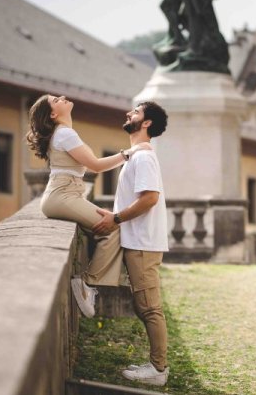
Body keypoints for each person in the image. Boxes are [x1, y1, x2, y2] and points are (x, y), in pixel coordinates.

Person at [26, 94, 149, 318]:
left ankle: (93, 284)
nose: (62, 97)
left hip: (64, 195)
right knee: (113, 227)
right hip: (63, 196)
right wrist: (129, 153)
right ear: (53, 114)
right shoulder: (64, 133)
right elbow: (95, 165)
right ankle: (88, 285)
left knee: (109, 224)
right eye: (56, 100)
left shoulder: (62, 134)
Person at [90, 101, 170, 386]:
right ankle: (155, 364)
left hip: (143, 243)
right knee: (142, 305)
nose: (128, 114)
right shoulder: (137, 155)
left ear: (146, 123)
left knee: (149, 307)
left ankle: (158, 370)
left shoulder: (144, 157)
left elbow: (150, 198)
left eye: (135, 112)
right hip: (138, 240)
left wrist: (116, 218)